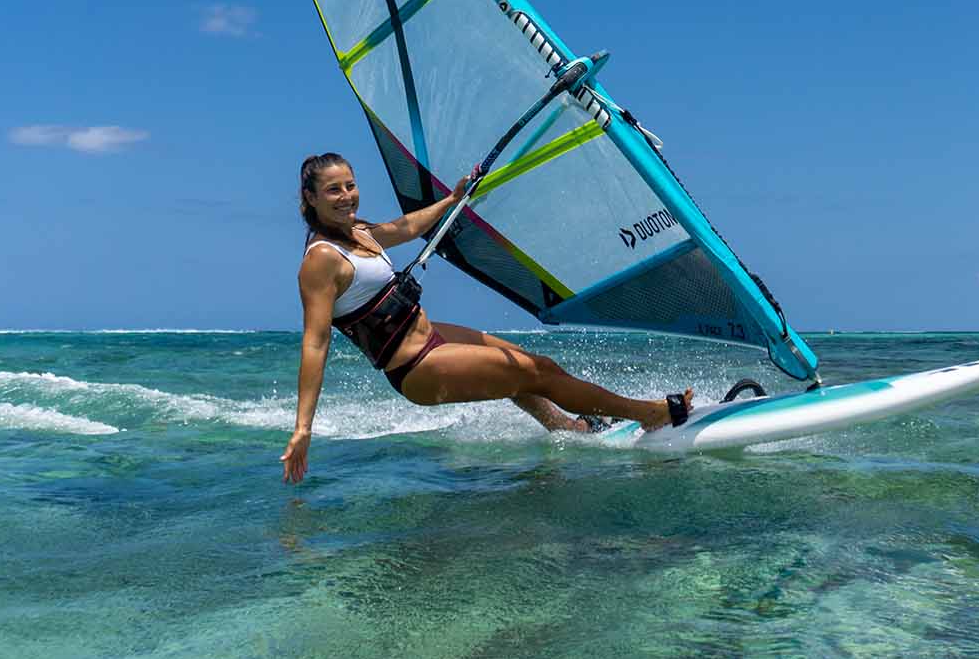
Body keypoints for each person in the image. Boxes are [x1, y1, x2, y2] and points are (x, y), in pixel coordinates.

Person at [280, 152, 692, 483]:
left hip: (429, 336)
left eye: (350, 185)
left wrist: (454, 198)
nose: (346, 195)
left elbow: (406, 228)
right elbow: (315, 343)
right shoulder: (320, 261)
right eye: (333, 190)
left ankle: (567, 429)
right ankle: (646, 413)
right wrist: (303, 429)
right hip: (415, 366)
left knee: (516, 361)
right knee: (537, 371)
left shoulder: (359, 232)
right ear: (311, 197)